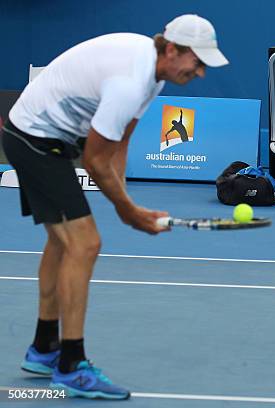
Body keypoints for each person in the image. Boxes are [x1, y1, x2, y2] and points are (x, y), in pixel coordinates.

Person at [1, 14, 228, 400]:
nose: (201, 72)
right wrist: (129, 213)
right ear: (172, 49)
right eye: (197, 61)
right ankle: (71, 365)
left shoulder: (153, 75)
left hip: (46, 136)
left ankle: (43, 348)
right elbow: (93, 160)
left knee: (63, 242)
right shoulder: (130, 80)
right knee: (85, 243)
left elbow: (119, 143)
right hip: (35, 139)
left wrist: (128, 202)